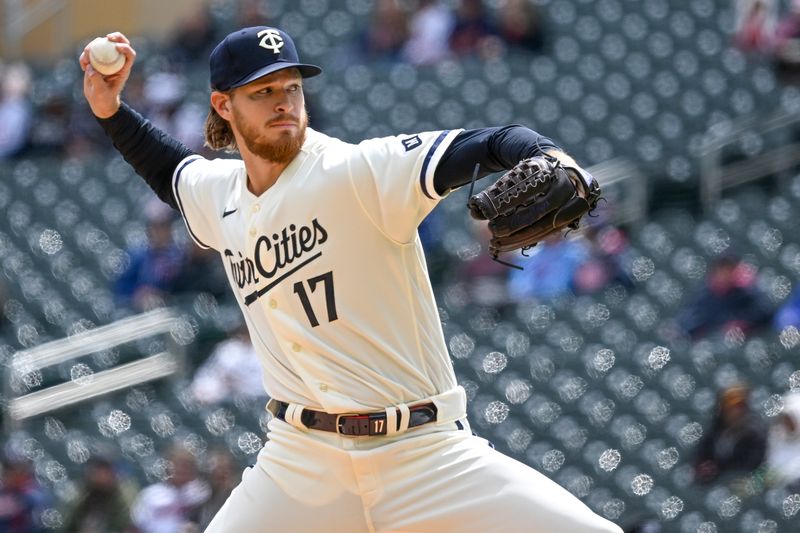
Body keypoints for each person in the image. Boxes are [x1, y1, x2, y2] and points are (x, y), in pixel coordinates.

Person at [79, 26, 621, 532]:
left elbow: (489, 141)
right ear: (223, 105)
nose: (283, 102)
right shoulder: (219, 194)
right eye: (262, 91)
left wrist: (547, 155)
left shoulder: (357, 171)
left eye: (291, 87)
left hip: (422, 453)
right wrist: (110, 110)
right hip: (299, 462)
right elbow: (169, 171)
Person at [693, 384, 767, 485]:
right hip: (712, 485)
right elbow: (702, 453)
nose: (734, 411)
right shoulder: (716, 428)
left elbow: (750, 466)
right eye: (729, 406)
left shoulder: (755, 435)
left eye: (739, 406)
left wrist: (718, 469)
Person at [130, 446, 210, 533]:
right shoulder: (150, 494)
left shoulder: (201, 492)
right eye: (177, 464)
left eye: (186, 465)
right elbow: (140, 524)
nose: (181, 469)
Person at [60, 457, 135, 533]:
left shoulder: (125, 496)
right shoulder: (80, 494)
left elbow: (128, 526)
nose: (101, 476)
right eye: (97, 471)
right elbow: (66, 524)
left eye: (105, 471)